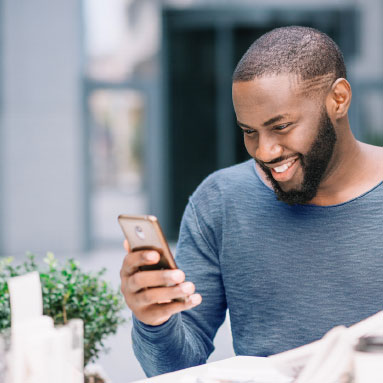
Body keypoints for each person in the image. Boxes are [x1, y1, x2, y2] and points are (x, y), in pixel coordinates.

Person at [120, 26, 383, 377]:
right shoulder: (220, 201)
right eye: (249, 132)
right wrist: (154, 321)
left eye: (282, 126)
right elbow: (176, 369)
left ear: (338, 99)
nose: (265, 150)